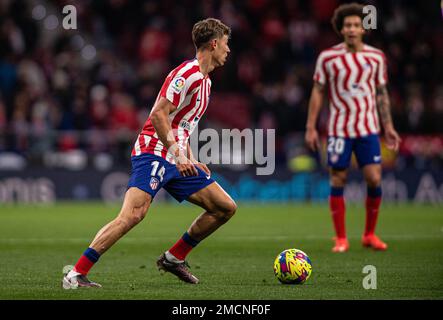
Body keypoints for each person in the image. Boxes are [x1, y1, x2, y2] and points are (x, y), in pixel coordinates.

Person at [63, 18, 236, 288]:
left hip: (176, 157)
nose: (228, 49)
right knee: (133, 215)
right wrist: (179, 156)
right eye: (226, 44)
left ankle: (174, 258)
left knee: (224, 208)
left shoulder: (206, 83)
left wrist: (189, 158)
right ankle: (75, 273)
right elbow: (158, 115)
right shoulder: (186, 74)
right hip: (154, 152)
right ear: (214, 44)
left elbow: (182, 125)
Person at [305, 3, 401, 253]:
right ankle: (341, 238)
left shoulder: (376, 57)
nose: (351, 29)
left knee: (374, 177)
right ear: (340, 28)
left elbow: (381, 94)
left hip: (368, 128)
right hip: (338, 129)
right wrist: (311, 127)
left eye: (356, 25)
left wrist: (388, 127)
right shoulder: (328, 58)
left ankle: (369, 234)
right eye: (347, 25)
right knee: (338, 178)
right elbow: (317, 91)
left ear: (363, 28)